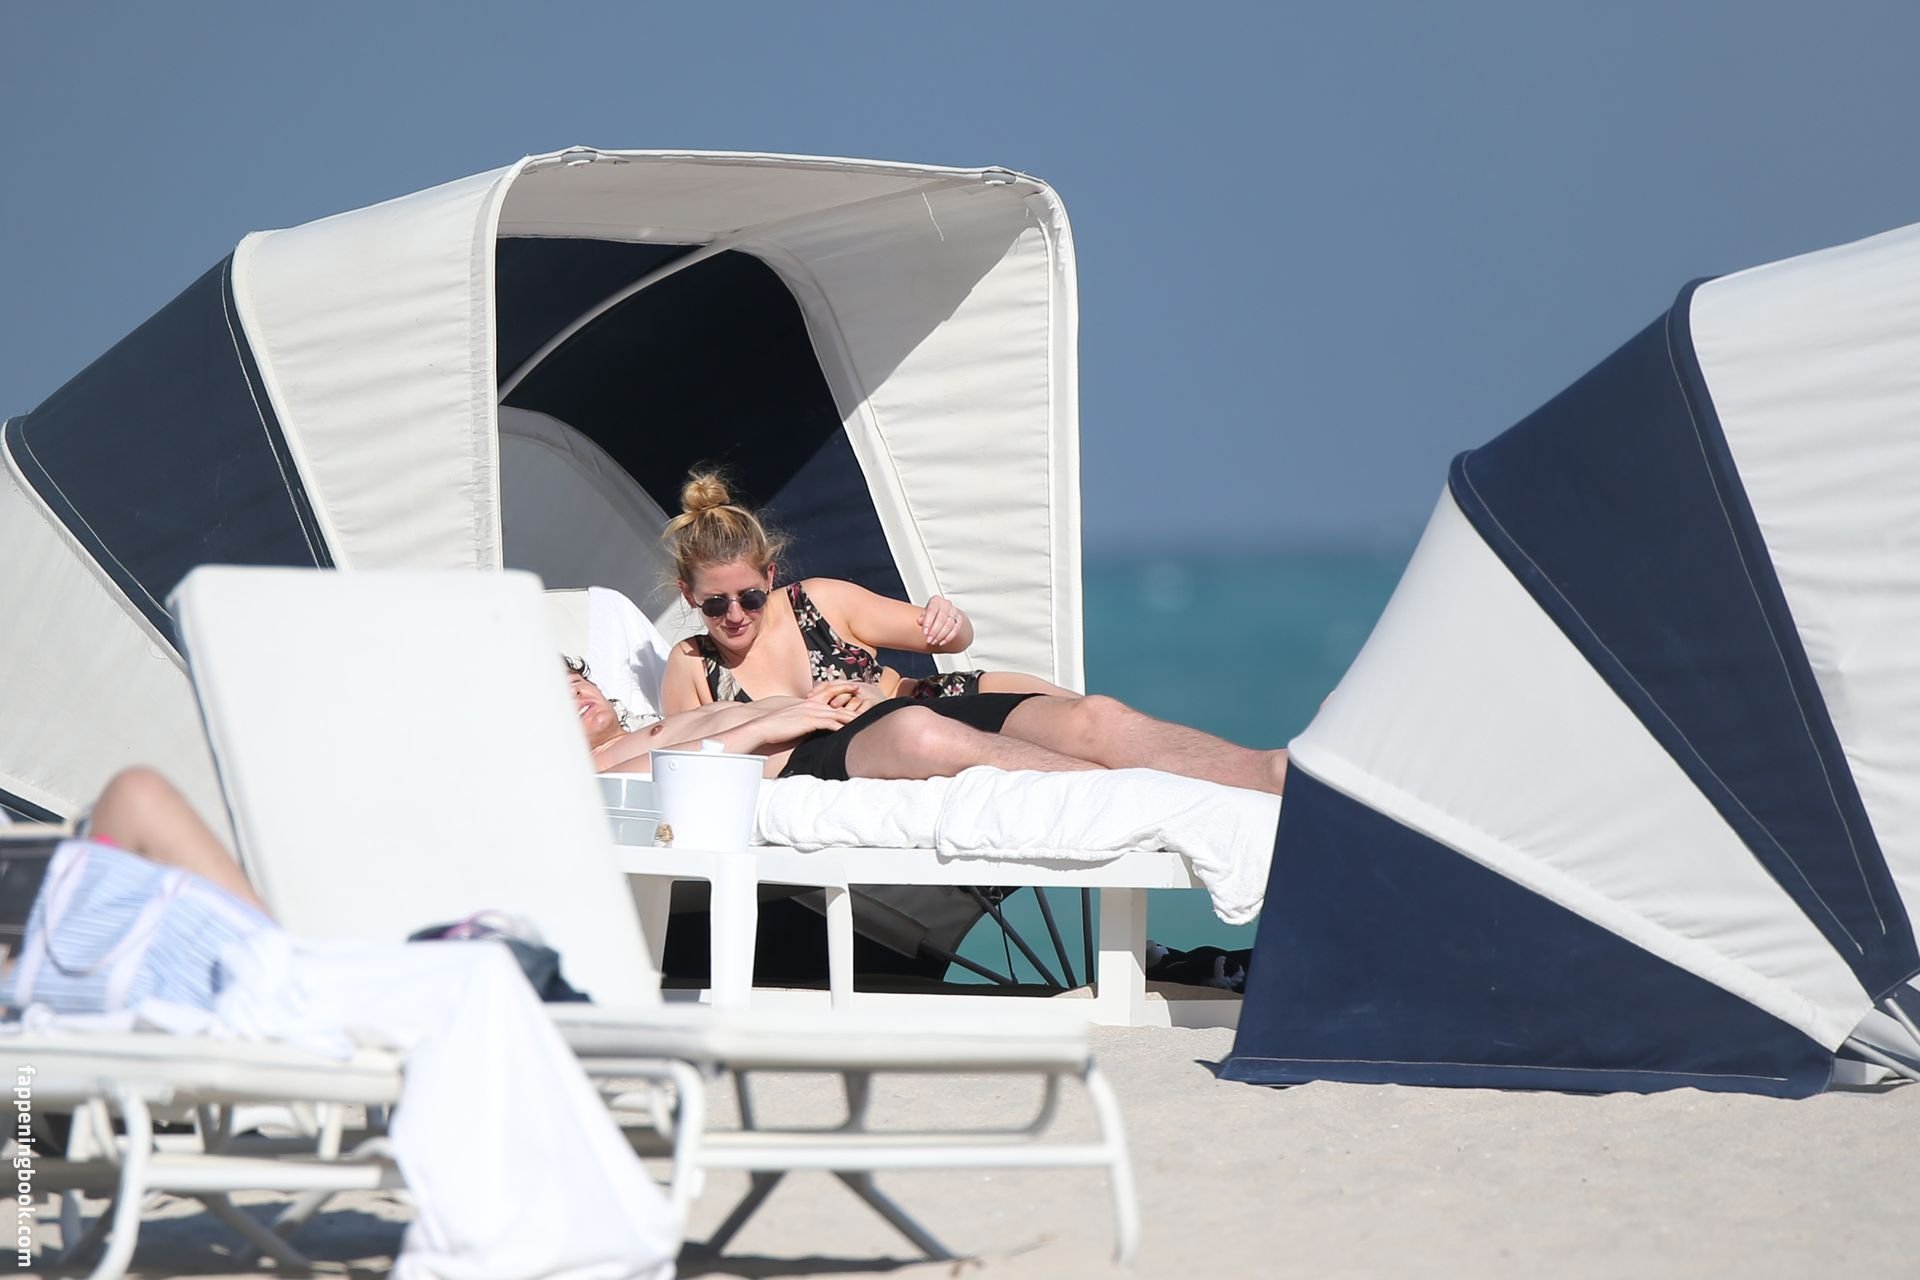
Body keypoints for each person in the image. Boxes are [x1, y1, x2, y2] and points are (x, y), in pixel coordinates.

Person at [657, 471, 1289, 793]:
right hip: (871, 743)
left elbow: (948, 640)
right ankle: (1163, 799)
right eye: (715, 605)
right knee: (1057, 751)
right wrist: (795, 716)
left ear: (770, 576)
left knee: (1095, 718)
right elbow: (690, 769)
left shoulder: (819, 601)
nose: (735, 615)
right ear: (689, 596)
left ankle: (1269, 774)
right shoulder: (693, 664)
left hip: (927, 696)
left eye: (750, 596)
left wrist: (950, 622)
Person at [566, 655, 865, 777]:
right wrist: (763, 729)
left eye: (576, 681)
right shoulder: (587, 775)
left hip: (837, 721)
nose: (576, 692)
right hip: (812, 756)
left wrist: (841, 697)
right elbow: (663, 772)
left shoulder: (648, 727)